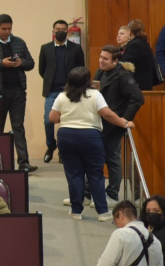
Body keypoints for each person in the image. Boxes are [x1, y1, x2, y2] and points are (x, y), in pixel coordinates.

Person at [51, 67, 134, 221]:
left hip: (66, 136)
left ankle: (76, 211)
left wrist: (68, 117)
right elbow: (107, 114)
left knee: (74, 175)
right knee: (95, 174)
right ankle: (103, 212)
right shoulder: (94, 95)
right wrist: (124, 123)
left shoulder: (62, 96)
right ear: (87, 81)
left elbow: (52, 118)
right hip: (90, 137)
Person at [0, 14, 37, 173]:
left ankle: (24, 163)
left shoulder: (19, 42)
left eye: (9, 28)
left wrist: (21, 62)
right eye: (4, 29)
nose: (7, 32)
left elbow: (31, 63)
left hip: (18, 91)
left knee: (18, 127)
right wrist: (1, 63)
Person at [95, 45, 145, 203]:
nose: (101, 61)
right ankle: (90, 192)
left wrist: (124, 119)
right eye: (101, 57)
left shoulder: (123, 76)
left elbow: (138, 98)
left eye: (105, 59)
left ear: (115, 61)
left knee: (112, 160)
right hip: (99, 123)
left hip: (114, 125)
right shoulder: (100, 72)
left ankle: (112, 194)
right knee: (95, 159)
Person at [38, 20, 86, 163]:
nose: (60, 31)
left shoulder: (75, 48)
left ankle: (63, 151)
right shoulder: (45, 48)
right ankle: (50, 146)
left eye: (63, 29)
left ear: (67, 31)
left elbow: (81, 69)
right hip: (51, 91)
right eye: (58, 29)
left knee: (66, 123)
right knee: (48, 121)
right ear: (53, 31)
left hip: (69, 91)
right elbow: (42, 70)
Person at [122, 20, 159, 90]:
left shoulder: (135, 45)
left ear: (129, 31)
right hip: (144, 84)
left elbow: (124, 63)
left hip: (138, 86)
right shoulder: (143, 43)